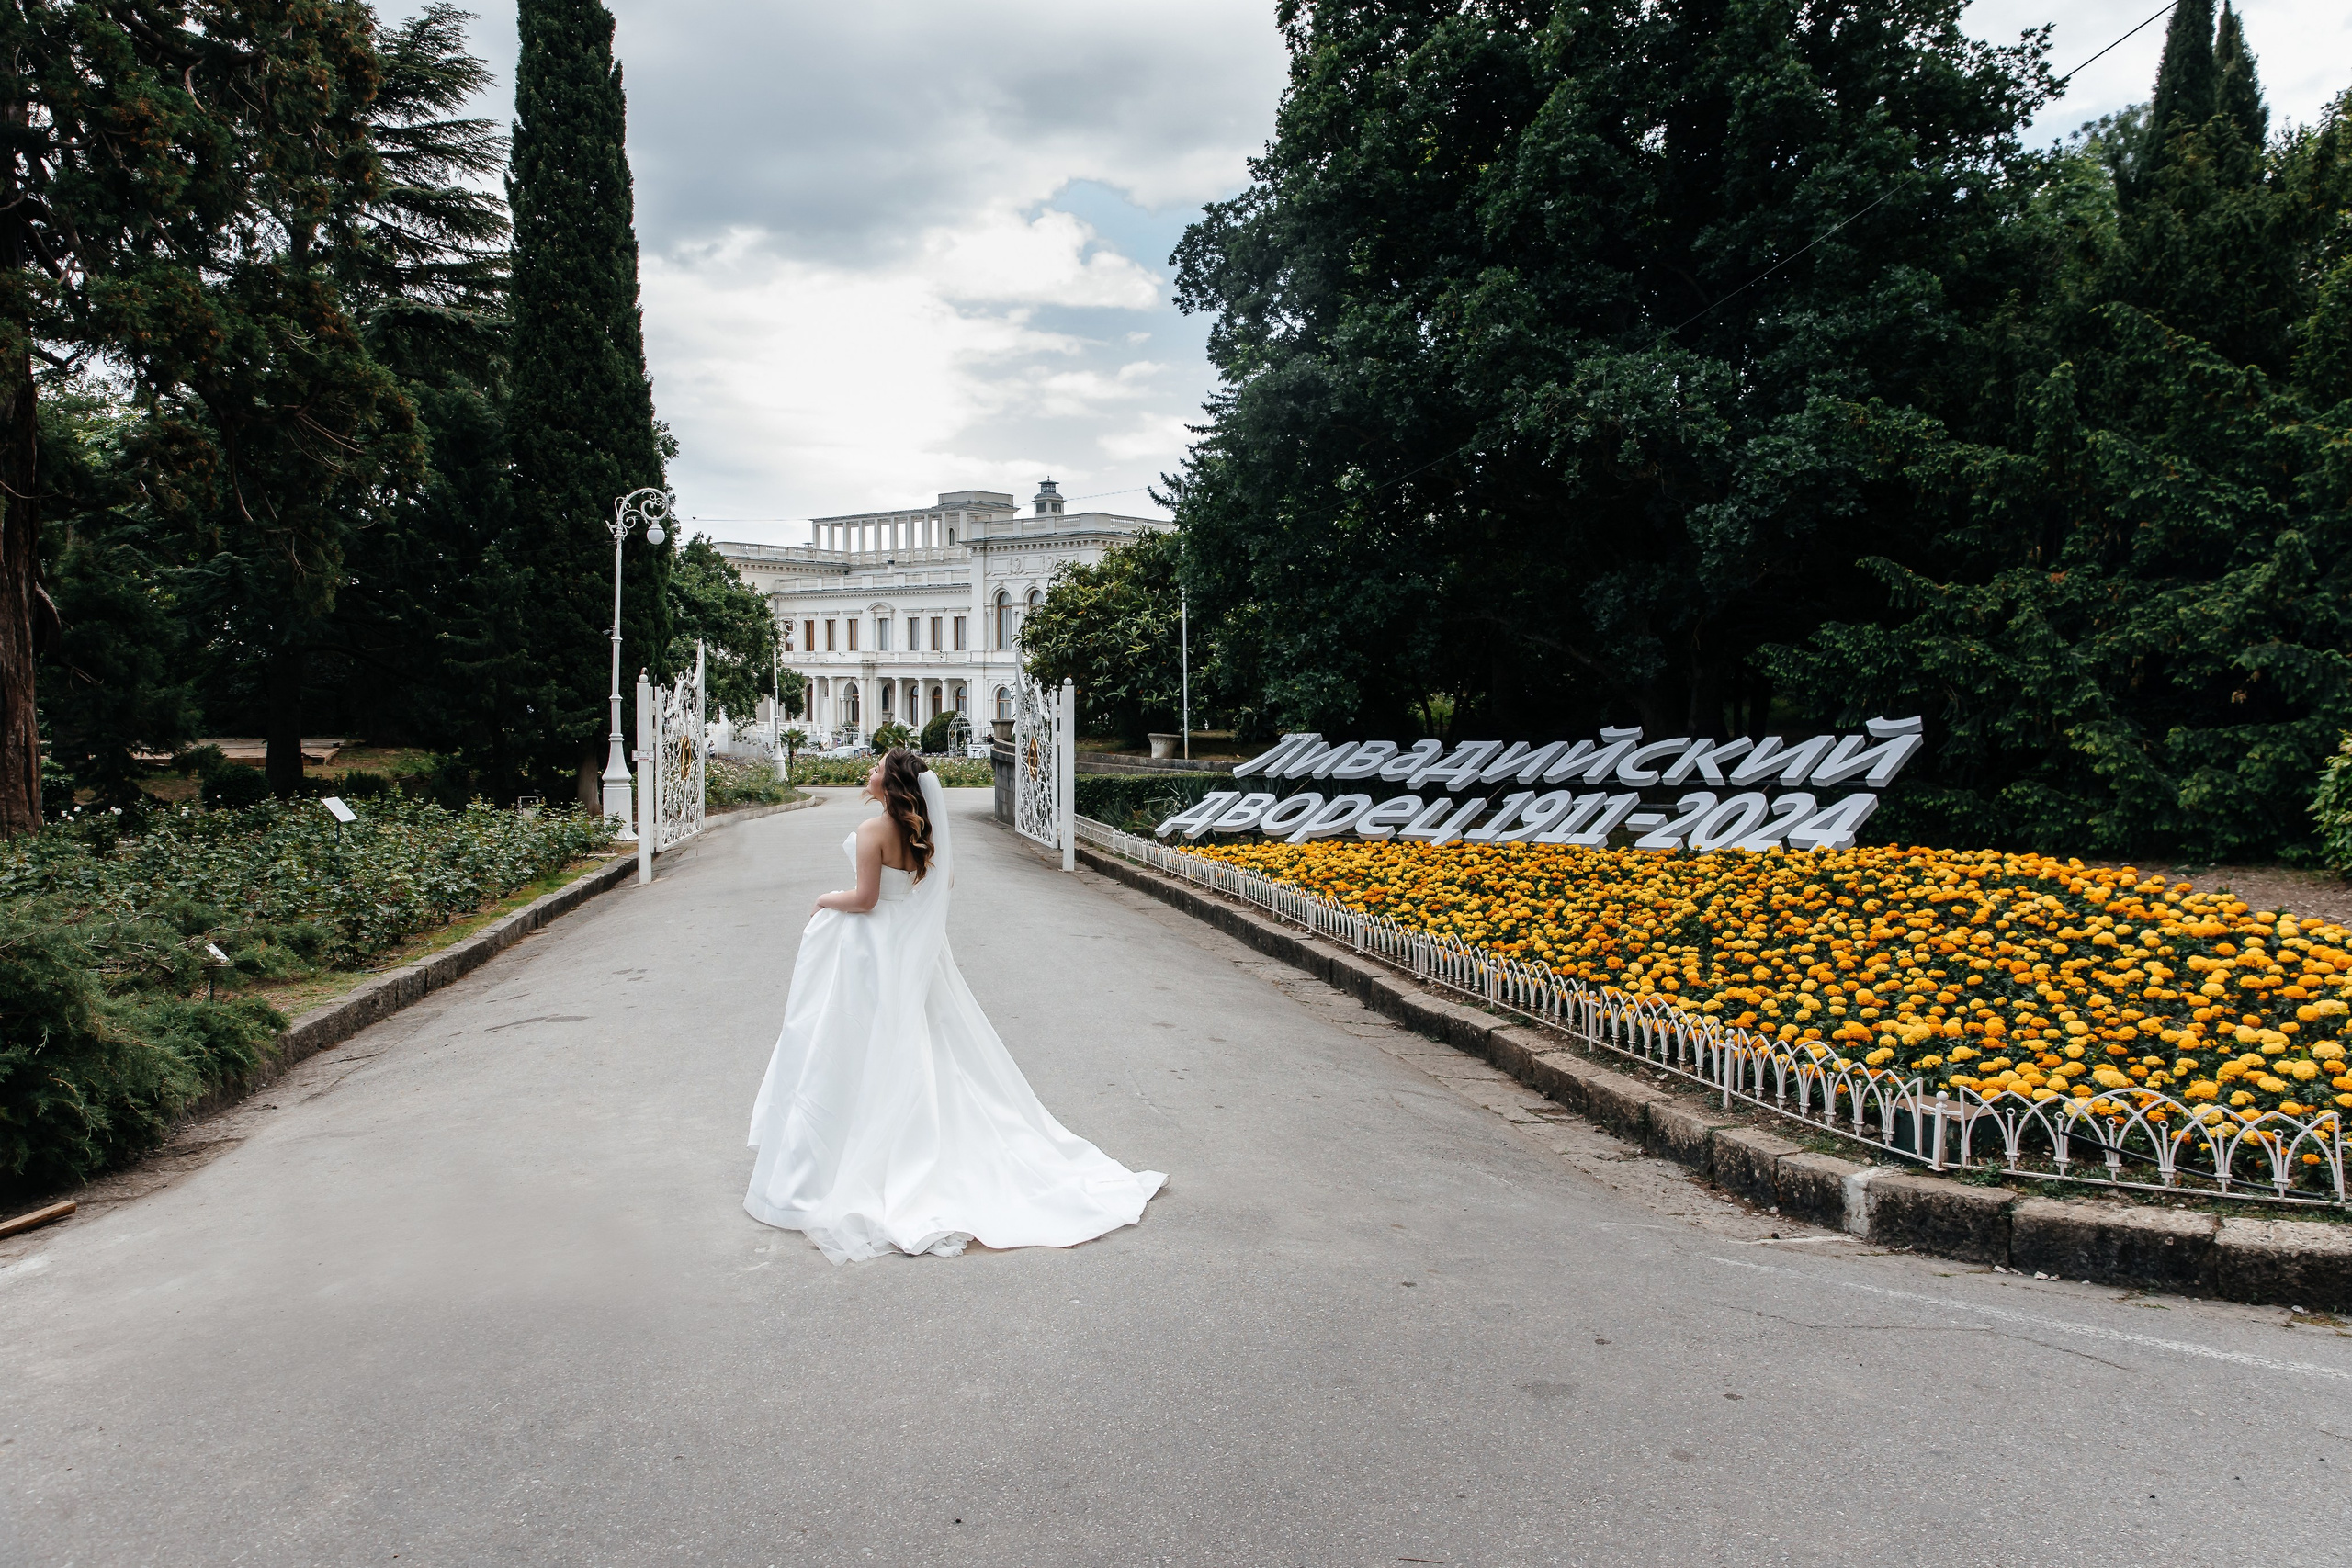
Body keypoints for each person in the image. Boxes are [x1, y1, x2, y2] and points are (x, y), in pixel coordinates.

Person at [745, 749, 1166, 1262]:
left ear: (893, 784)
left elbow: (866, 899)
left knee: (857, 1042)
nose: (869, 772)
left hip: (873, 950)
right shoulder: (922, 835)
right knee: (924, 1041)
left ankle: (853, 1149)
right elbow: (940, 885)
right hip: (913, 949)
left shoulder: (872, 831)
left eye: (877, 768)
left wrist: (824, 898)